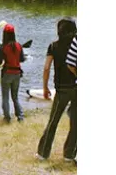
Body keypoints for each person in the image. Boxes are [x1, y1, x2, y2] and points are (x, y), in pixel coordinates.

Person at [36, 18, 77, 162]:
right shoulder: (78, 45)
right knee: (76, 123)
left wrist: (45, 87)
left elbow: (47, 67)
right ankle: (69, 155)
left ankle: (42, 153)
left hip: (62, 89)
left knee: (53, 121)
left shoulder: (53, 46)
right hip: (77, 87)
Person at [0, 23, 26, 123]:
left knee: (5, 97)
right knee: (15, 97)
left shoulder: (3, 47)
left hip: (6, 73)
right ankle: (20, 116)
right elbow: (22, 59)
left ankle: (7, 118)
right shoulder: (19, 46)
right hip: (17, 73)